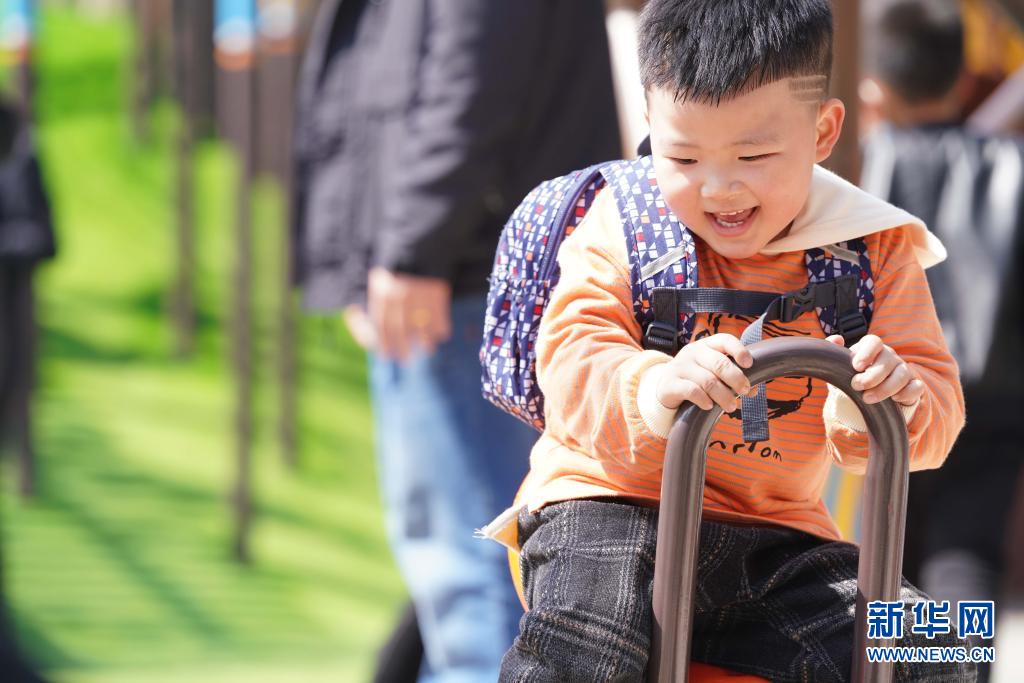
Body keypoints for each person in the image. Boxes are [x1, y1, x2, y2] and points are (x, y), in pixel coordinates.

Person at [491, 1, 974, 680]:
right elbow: (572, 358)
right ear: (652, 122)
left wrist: (890, 398)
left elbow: (936, 415)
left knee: (944, 644)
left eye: (753, 155)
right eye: (683, 156)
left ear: (823, 130)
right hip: (610, 507)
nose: (719, 187)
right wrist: (653, 387)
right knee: (592, 638)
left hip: (779, 541)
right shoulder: (624, 221)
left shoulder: (873, 247)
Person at [290, 1, 620, 680]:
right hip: (479, 266)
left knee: (474, 570)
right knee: (490, 561)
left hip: (464, 273)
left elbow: (473, 71)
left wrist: (413, 247)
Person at [860, 2, 1024, 680]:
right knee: (966, 553)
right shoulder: (1011, 163)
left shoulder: (863, 169)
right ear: (962, 77)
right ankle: (954, 674)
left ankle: (901, 670)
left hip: (888, 389)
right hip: (994, 401)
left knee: (887, 553)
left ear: (875, 88)